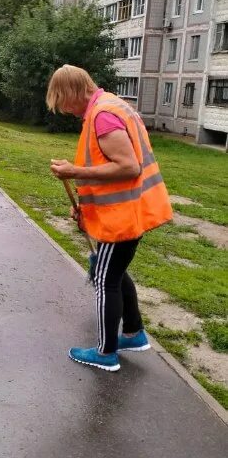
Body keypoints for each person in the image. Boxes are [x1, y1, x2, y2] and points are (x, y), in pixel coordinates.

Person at [46, 64, 173, 372]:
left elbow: (129, 167)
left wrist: (74, 171)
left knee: (105, 279)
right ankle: (133, 333)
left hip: (122, 217)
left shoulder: (102, 115)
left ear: (74, 92)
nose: (65, 110)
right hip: (124, 211)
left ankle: (106, 353)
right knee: (114, 272)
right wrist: (84, 205)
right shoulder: (111, 105)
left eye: (63, 102)